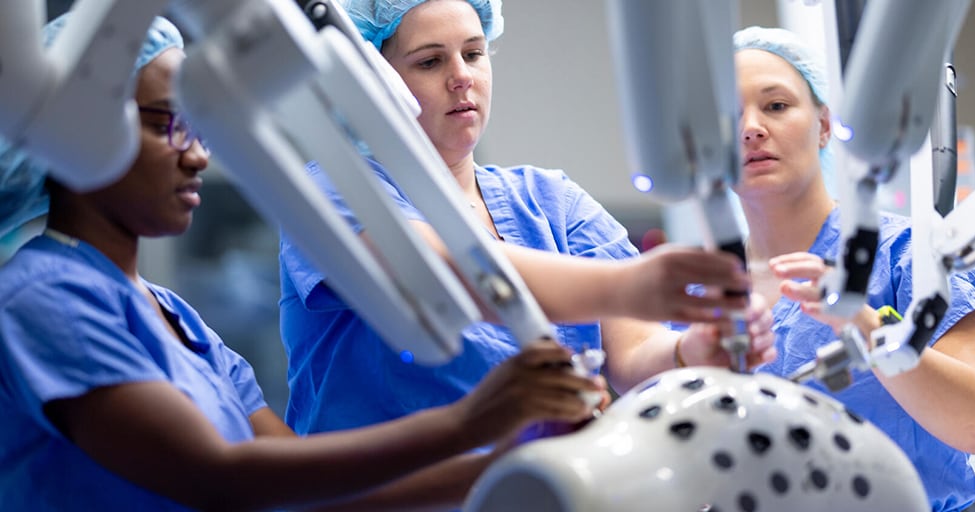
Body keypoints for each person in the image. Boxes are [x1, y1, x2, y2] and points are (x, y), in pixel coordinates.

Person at [0, 13, 608, 511]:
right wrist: (468, 424)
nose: (197, 158)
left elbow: (308, 495)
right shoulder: (43, 295)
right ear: (76, 133)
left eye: (199, 129)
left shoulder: (176, 319)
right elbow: (220, 477)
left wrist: (501, 467)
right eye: (167, 127)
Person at [278, 0, 777, 438]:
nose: (462, 76)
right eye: (431, 61)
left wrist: (692, 350)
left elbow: (634, 350)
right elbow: (431, 271)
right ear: (372, 82)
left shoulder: (548, 200)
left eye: (473, 53)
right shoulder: (337, 188)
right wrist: (631, 282)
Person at [732, 25, 975, 511]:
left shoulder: (910, 255)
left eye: (776, 105)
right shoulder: (698, 292)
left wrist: (864, 324)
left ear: (825, 124)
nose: (750, 127)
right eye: (727, 115)